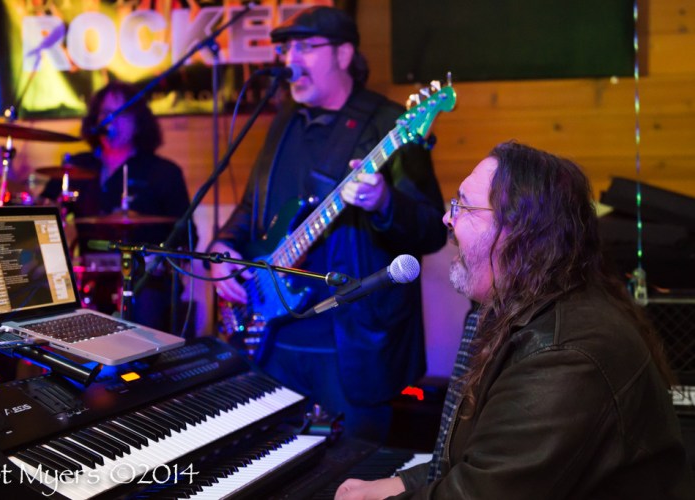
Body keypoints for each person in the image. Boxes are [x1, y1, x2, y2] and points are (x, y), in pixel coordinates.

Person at [334, 141, 695, 499]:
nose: (447, 218)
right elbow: (490, 457)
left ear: (521, 233)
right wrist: (404, 483)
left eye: (464, 206)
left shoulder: (564, 355)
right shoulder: (519, 309)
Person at [207, 6, 448, 442]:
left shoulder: (388, 124)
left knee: (351, 467)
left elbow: (431, 230)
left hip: (351, 348)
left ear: (344, 54)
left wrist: (384, 202)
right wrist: (223, 248)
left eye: (305, 47)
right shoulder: (284, 122)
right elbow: (253, 207)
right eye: (286, 49)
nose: (290, 60)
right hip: (273, 341)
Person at [42, 81, 191, 333]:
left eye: (122, 112)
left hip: (144, 277)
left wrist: (160, 259)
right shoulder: (77, 166)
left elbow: (186, 236)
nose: (112, 120)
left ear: (139, 121)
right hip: (86, 275)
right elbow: (43, 213)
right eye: (105, 113)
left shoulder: (163, 172)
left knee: (144, 313)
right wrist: (14, 177)